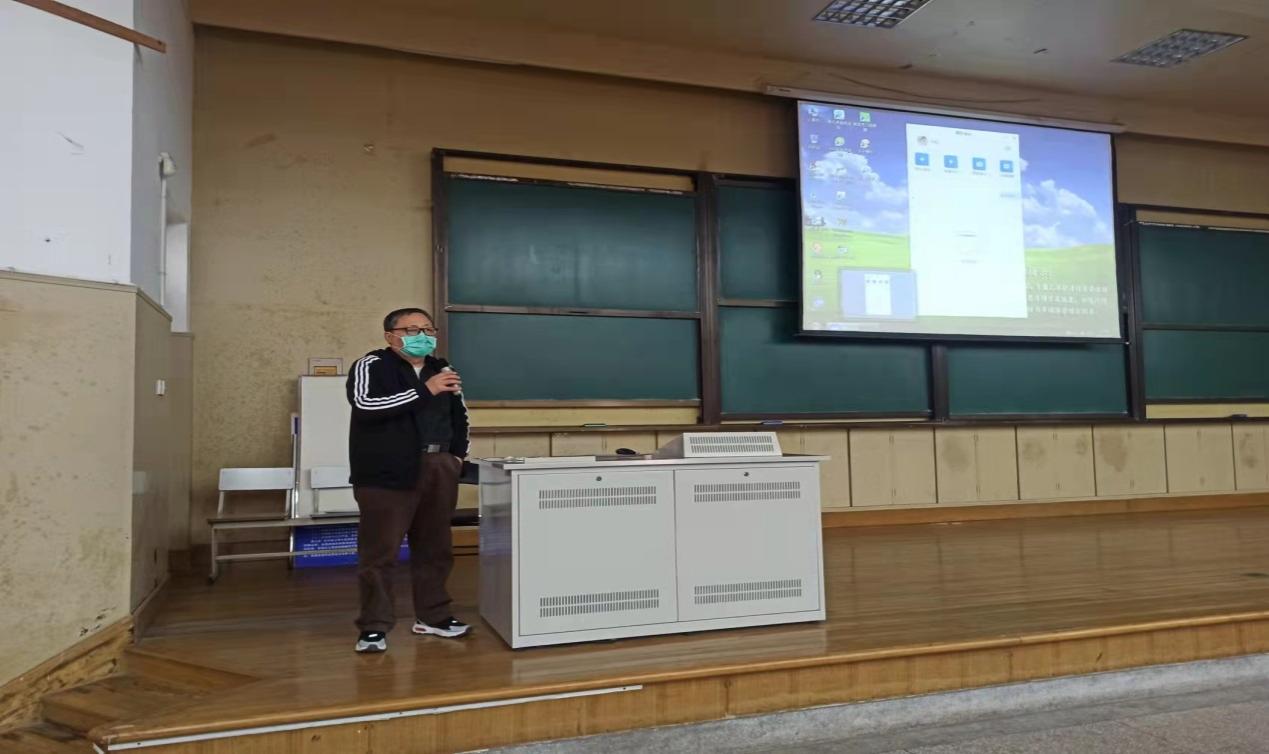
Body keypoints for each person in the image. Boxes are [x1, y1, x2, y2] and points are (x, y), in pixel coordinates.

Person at [346, 307, 470, 653]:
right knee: (380, 552)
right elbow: (365, 405)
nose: (422, 336)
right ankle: (374, 626)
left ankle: (434, 616)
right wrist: (424, 390)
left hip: (439, 466)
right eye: (412, 329)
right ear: (391, 336)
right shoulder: (371, 365)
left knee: (435, 548)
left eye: (428, 329)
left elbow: (460, 416)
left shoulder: (442, 369)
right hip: (385, 471)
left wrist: (457, 457)